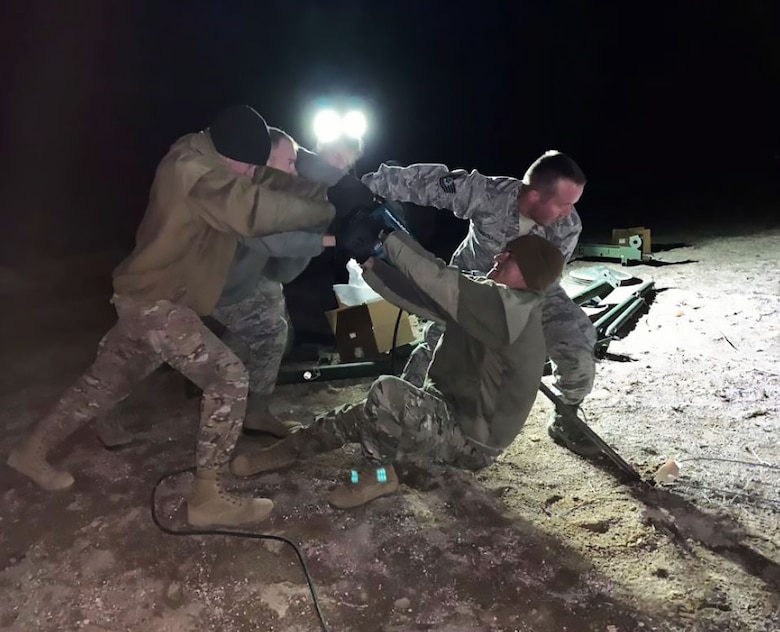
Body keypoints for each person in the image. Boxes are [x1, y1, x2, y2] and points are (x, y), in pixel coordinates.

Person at [6, 105, 335, 528]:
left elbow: (260, 179)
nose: (251, 173)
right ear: (229, 156)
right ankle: (206, 497)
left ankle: (30, 451)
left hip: (152, 301)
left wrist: (318, 188)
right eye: (247, 167)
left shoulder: (209, 153)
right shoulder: (194, 173)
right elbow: (251, 208)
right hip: (156, 303)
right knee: (228, 377)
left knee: (102, 385)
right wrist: (322, 212)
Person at [230, 229, 565, 508]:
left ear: (530, 272)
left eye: (510, 256)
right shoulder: (496, 301)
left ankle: (377, 475)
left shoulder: (512, 310)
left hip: (471, 440)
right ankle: (285, 451)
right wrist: (370, 262)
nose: (499, 258)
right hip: (448, 409)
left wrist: (386, 235)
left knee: (388, 395)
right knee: (365, 412)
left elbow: (438, 278)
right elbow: (421, 297)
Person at [355, 151, 600, 457]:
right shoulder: (489, 195)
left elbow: (541, 283)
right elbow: (431, 183)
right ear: (535, 194)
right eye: (563, 203)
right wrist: (367, 187)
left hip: (533, 293)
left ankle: (566, 415)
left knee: (578, 339)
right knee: (435, 346)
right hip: (474, 283)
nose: (569, 212)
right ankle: (405, 414)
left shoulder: (567, 227)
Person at [206, 129, 364, 437]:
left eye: (346, 163)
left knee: (274, 330)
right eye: (336, 156)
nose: (339, 166)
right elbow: (274, 240)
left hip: (252, 271)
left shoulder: (304, 180)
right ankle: (236, 396)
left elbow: (285, 261)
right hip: (214, 274)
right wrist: (335, 239)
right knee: (270, 330)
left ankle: (238, 394)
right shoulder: (282, 171)